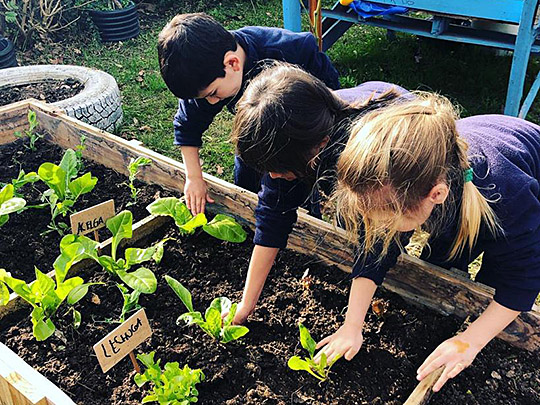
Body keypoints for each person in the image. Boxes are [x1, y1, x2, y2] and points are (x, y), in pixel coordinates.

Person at [327, 92, 540, 391]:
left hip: (521, 176)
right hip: (471, 172)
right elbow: (376, 248)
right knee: (444, 253)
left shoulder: (507, 197)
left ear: (436, 196)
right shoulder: (401, 183)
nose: (377, 226)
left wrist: (469, 342)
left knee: (498, 276)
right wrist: (352, 325)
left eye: (385, 220)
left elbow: (523, 282)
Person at [229, 63, 410, 327]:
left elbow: (380, 235)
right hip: (354, 136)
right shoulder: (296, 134)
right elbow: (273, 215)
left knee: (382, 230)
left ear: (319, 146)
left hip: (405, 147)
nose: (274, 177)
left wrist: (352, 326)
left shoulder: (367, 160)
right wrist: (247, 304)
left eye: (279, 169)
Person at [157, 13, 340, 215]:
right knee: (246, 185)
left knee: (298, 195)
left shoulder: (293, 51)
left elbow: (332, 99)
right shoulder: (205, 70)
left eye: (213, 94)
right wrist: (193, 177)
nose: (210, 103)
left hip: (298, 139)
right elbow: (187, 125)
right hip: (253, 136)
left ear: (232, 63)